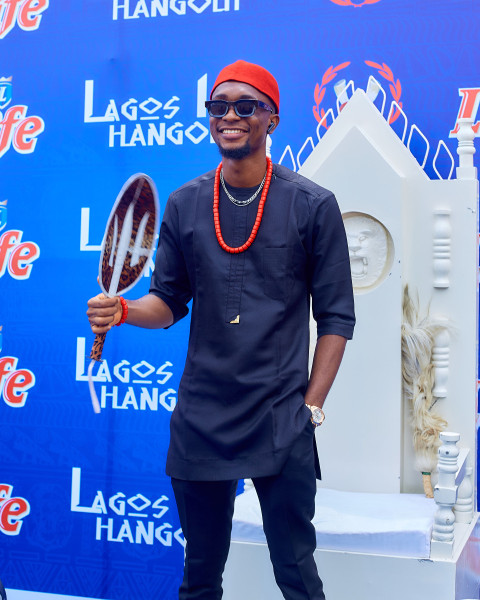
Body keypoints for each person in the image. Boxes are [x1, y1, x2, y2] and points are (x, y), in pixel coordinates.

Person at [87, 60, 355, 600]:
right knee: (200, 578)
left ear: (271, 118)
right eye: (218, 106)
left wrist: (311, 408)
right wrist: (122, 312)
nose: (229, 116)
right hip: (202, 419)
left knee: (297, 577)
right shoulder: (187, 203)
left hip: (281, 418)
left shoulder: (313, 205)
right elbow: (166, 302)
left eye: (245, 106)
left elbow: (336, 318)